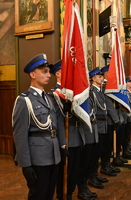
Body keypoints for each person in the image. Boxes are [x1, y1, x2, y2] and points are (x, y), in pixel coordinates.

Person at [12, 54, 66, 200]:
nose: (49, 75)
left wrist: (61, 148)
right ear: (32, 74)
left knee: (49, 194)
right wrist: (25, 164)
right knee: (38, 194)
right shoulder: (24, 100)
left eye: (49, 72)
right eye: (44, 72)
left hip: (53, 155)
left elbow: (55, 125)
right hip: (37, 158)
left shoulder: (49, 99)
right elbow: (20, 134)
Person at [49, 60, 85, 200]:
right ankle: (63, 196)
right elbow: (56, 120)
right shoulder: (54, 94)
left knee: (74, 171)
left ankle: (70, 192)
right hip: (65, 137)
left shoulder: (73, 93)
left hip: (77, 135)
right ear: (57, 74)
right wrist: (61, 143)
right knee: (64, 172)